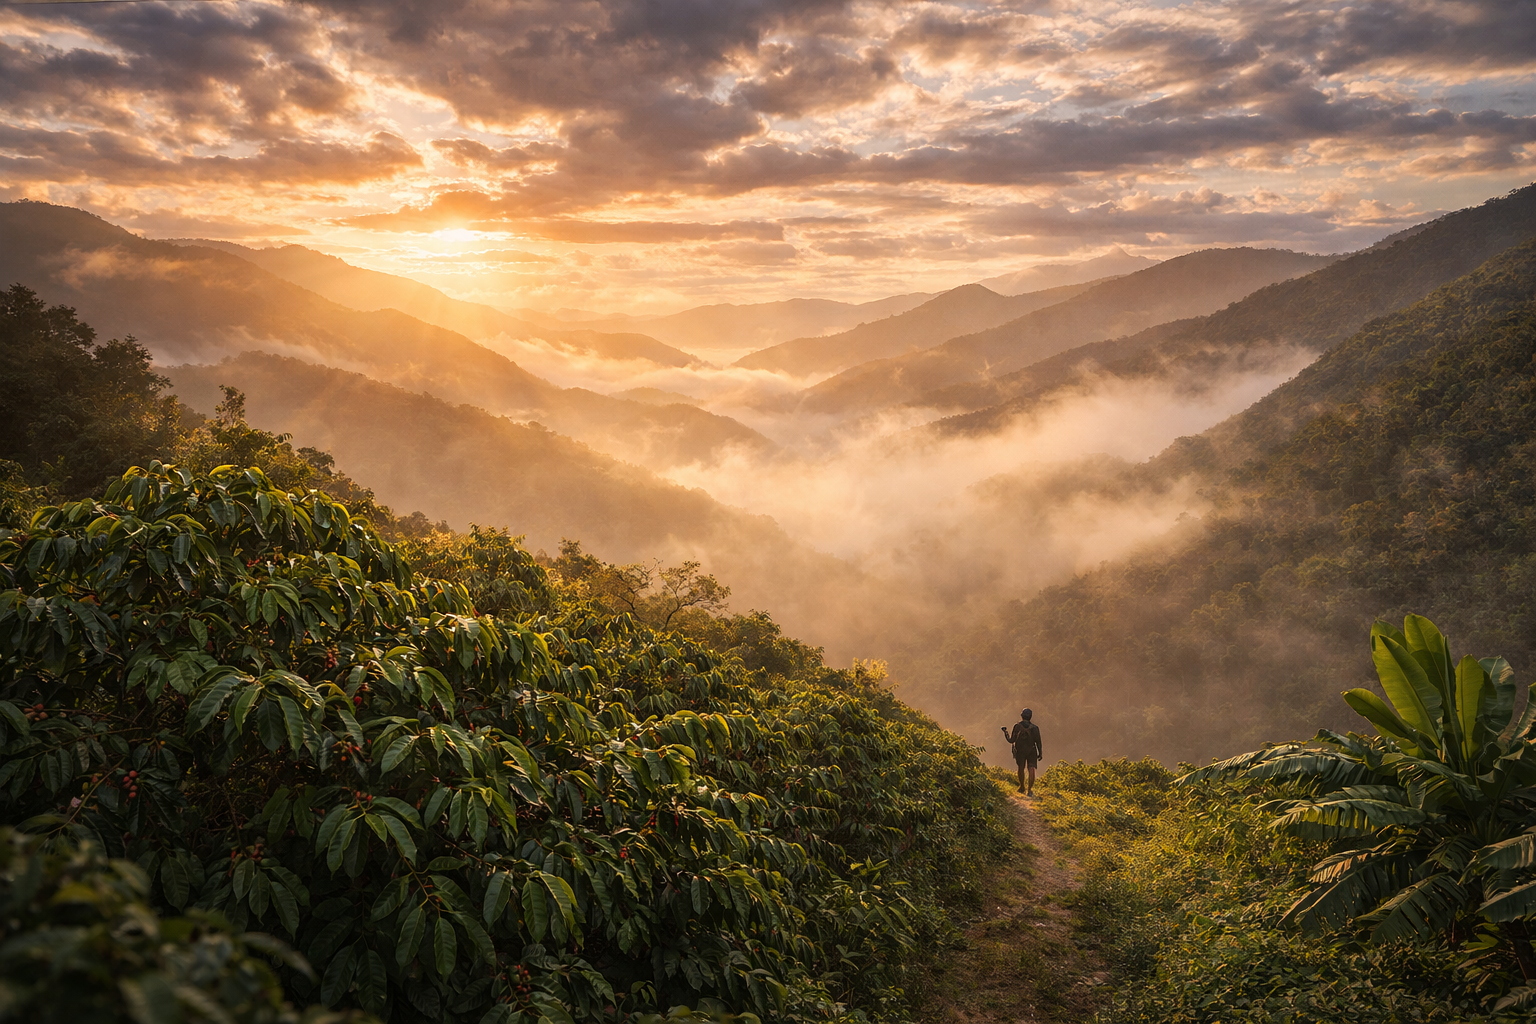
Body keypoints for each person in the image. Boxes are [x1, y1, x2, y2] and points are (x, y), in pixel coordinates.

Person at [1001, 709, 1042, 796]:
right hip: (1032, 750)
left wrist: (1005, 733)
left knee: (1021, 768)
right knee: (1031, 769)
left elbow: (1011, 740)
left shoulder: (1017, 726)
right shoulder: (1035, 728)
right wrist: (1040, 753)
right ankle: (1030, 790)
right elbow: (1038, 742)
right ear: (1030, 716)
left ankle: (1022, 787)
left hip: (1020, 751)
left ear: (1022, 716)